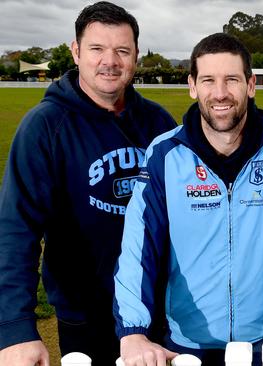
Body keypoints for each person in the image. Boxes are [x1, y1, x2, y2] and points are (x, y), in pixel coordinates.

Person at [113, 33, 263, 366]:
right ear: (192, 86)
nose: (220, 93)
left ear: (251, 85)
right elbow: (139, 245)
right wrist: (133, 331)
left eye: (231, 80)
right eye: (208, 80)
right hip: (187, 342)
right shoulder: (164, 155)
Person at [0, 2, 177, 366]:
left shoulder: (159, 124)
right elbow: (16, 230)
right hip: (85, 313)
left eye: (121, 50)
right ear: (76, 51)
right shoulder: (44, 127)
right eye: (97, 48)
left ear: (136, 57)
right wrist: (15, 328)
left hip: (156, 310)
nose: (109, 61)